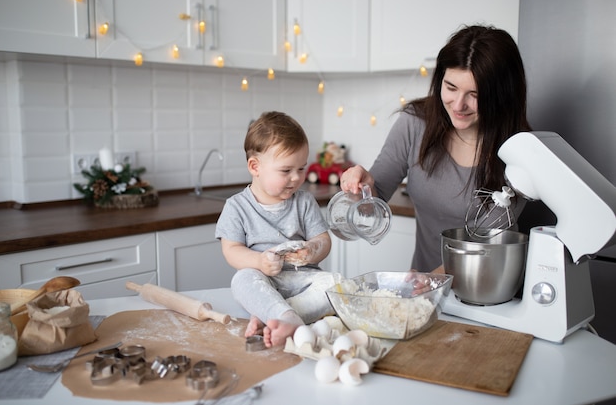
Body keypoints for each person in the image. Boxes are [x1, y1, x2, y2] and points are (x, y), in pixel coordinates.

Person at [340, 25, 531, 273]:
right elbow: (373, 202)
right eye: (451, 88)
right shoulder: (414, 122)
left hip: (487, 289)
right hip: (425, 283)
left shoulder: (522, 149)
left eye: (475, 94)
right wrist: (362, 188)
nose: (459, 105)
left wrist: (431, 282)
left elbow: (486, 244)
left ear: (502, 94)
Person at [215, 111, 340, 348]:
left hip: (302, 280)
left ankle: (273, 316)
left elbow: (323, 240)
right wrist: (260, 261)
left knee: (336, 283)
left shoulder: (304, 202)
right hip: (262, 278)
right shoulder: (237, 207)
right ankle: (286, 317)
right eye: (286, 171)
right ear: (255, 166)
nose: (296, 178)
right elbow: (231, 250)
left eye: (302, 169)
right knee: (241, 279)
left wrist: (313, 249)